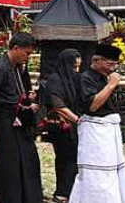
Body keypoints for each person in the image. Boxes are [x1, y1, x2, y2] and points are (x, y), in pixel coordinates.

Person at [69, 44, 125, 203]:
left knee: (112, 168)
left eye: (115, 65)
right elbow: (92, 105)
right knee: (97, 169)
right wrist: (111, 85)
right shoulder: (85, 78)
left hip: (109, 129)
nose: (112, 68)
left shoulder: (106, 77)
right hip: (94, 129)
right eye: (109, 64)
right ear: (97, 61)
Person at [0, 33, 42, 203]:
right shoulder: (0, 67)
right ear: (16, 49)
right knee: (10, 160)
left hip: (18, 118)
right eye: (27, 53)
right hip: (4, 119)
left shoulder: (17, 67)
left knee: (27, 156)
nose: (27, 57)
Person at [43, 49, 81, 202]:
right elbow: (58, 105)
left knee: (74, 159)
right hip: (62, 127)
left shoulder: (73, 80)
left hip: (74, 126)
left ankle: (71, 191)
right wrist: (77, 120)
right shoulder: (55, 80)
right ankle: (62, 192)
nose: (76, 71)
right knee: (66, 159)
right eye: (74, 67)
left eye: (78, 67)